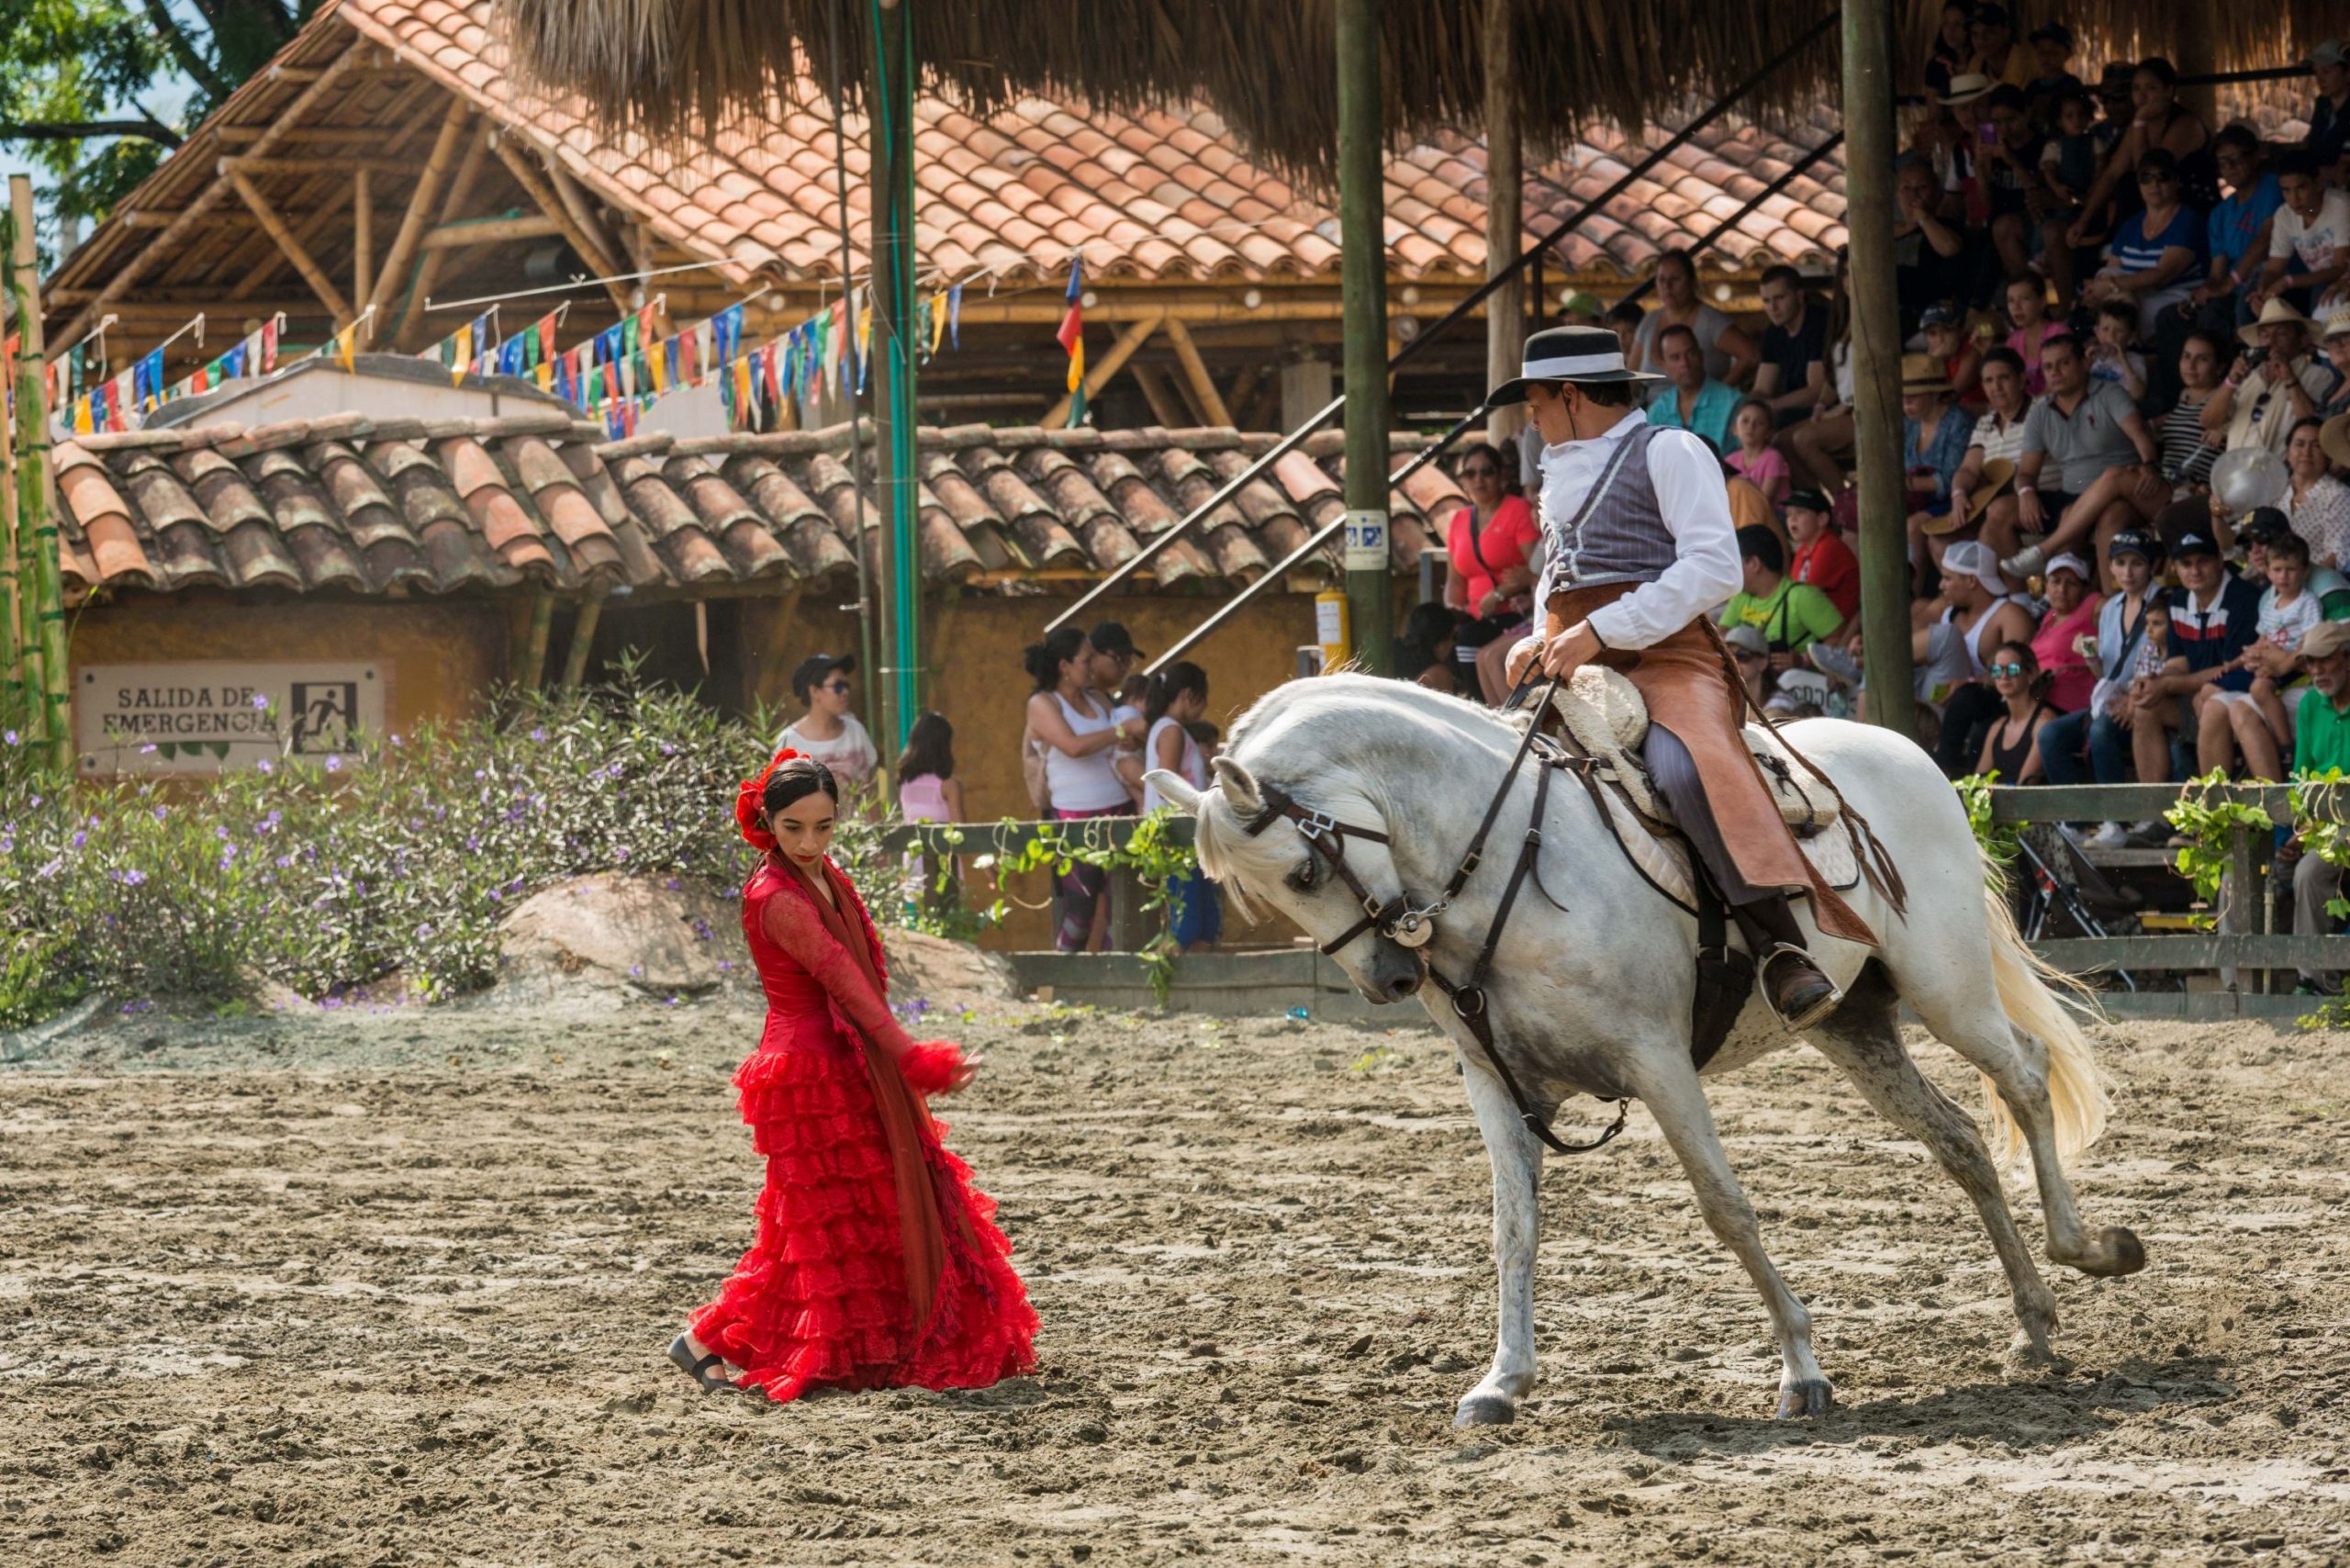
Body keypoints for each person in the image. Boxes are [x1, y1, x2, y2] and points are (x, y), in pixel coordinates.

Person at [1494, 323, 1874, 1027]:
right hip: (1574, 657)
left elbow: (1713, 569)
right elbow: (1559, 574)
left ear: (1572, 395)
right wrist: (1534, 636)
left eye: (1538, 402)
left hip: (1671, 657)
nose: (1533, 419)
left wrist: (1601, 630)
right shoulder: (1560, 468)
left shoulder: (1669, 450)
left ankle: (1778, 947)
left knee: (1677, 769)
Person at [672, 753, 1036, 1403]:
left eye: (823, 827)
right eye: (793, 829)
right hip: (804, 1081)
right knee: (824, 1234)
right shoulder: (775, 896)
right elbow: (842, 976)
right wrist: (911, 1056)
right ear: (768, 823)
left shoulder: (822, 877)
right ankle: (703, 1340)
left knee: (830, 1229)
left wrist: (895, 1057)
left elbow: (857, 975)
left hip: (847, 1067)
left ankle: (703, 1341)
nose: (810, 843)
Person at [2004, 333, 2160, 584]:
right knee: (2000, 511)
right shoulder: (2040, 411)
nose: (2055, 372)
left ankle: (2046, 553)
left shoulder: (2109, 393)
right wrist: (2025, 492)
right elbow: (2026, 473)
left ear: (2084, 363)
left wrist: (2149, 465)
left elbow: (2140, 433)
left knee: (2109, 500)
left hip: (2121, 492)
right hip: (2073, 492)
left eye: (2064, 363)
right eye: (2048, 366)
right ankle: (2026, 602)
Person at [2040, 531, 2164, 842]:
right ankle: (2075, 820)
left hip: (2149, 696)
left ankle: (2116, 822)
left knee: (2101, 731)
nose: (2128, 572)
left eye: (2136, 563)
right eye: (2120, 563)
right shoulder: (2111, 608)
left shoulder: (2163, 602)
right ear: (2109, 567)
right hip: (2112, 697)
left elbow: (2165, 659)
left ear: (2150, 566)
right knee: (2051, 734)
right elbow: (2106, 672)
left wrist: (2133, 699)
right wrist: (2090, 656)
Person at [1024, 626, 1141, 952]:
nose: (1092, 666)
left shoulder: (1099, 699)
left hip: (1119, 810)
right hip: (1075, 817)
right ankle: (1064, 984)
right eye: (1086, 659)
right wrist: (1119, 731)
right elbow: (1072, 746)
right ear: (1064, 665)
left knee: (1123, 908)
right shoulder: (1043, 703)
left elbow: (1117, 746)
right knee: (1080, 910)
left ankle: (1112, 978)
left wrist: (1127, 737)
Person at [2129, 527, 2262, 795]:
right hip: (2196, 696)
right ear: (2176, 568)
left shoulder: (2242, 598)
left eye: (2202, 561)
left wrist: (2167, 686)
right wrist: (2154, 681)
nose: (2195, 571)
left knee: (2206, 700)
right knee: (2145, 707)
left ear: (2219, 561)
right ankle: (2152, 813)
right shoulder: (2178, 601)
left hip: (2235, 695)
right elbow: (2178, 663)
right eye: (2186, 564)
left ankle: (2211, 814)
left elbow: (2230, 668)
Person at [2208, 530, 2322, 782]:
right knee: (2256, 682)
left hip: (2296, 668)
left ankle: (2285, 748)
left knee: (2259, 688)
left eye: (2291, 569)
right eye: (2278, 569)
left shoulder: (2308, 602)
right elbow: (2262, 640)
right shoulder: (2270, 604)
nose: (2284, 576)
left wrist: (2281, 660)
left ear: (2304, 571)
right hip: (2273, 666)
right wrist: (2235, 663)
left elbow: (2310, 641)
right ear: (2268, 572)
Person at [1920, 539, 2040, 776]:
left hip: (1992, 700)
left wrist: (1970, 683)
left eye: (1948, 578)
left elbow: (2015, 672)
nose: (1941, 586)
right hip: (1947, 701)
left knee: (1967, 697)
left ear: (1971, 580)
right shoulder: (1946, 609)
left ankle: (1943, 769)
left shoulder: (2008, 614)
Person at [2280, 620, 2350, 991]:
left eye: (2326, 661)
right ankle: (2237, 987)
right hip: (2317, 821)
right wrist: (2300, 830)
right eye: (2311, 663)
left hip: (2348, 825)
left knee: (2308, 872)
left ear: (2347, 658)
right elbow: (2301, 778)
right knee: (2237, 872)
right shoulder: (2310, 704)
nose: (2317, 671)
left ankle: (2315, 980)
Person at [2081, 148, 2204, 341]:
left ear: (2177, 181)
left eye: (2162, 177)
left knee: (2118, 310)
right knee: (2108, 282)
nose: (2154, 184)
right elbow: (2112, 269)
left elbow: (2161, 275)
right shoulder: (2131, 225)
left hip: (2173, 297)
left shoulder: (2187, 220)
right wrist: (2098, 289)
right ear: (2138, 184)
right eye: (2146, 177)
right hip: (2131, 295)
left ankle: (2114, 355)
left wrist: (2111, 286)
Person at [1140, 661, 1222, 952]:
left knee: (1205, 923)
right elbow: (1167, 786)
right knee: (1185, 926)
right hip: (1178, 839)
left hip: (1191, 839)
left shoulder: (1172, 730)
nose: (1205, 706)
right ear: (1189, 695)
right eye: (1204, 697)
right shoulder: (1172, 731)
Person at [2201, 298, 2328, 465]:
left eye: (2281, 333)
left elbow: (2313, 427)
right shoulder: (2248, 378)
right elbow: (2208, 421)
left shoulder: (2318, 375)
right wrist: (2230, 382)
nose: (2271, 341)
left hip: (2281, 481)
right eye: (2264, 335)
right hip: (2237, 479)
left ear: (2303, 340)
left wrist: (2289, 378)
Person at [1951, 347, 2033, 564]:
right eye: (1988, 381)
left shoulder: (2040, 412)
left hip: (2034, 500)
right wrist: (1958, 494)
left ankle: (2012, 596)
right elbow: (1968, 469)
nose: (1996, 387)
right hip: (1991, 508)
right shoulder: (1985, 422)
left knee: (1990, 527)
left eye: (2003, 378)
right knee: (1939, 540)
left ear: (2022, 379)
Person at [1443, 441, 1539, 625]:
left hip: (1514, 613)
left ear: (1501, 476)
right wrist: (1452, 615)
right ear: (1463, 480)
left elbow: (1536, 571)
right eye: (1470, 473)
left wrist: (1498, 594)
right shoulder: (1458, 519)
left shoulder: (1518, 510)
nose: (1478, 480)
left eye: (1486, 472)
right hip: (1471, 617)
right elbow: (1454, 580)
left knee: (1478, 648)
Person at [1628, 249, 1757, 387]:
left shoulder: (1710, 321)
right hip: (1652, 407)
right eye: (1661, 280)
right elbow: (1631, 377)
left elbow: (1751, 356)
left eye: (1675, 279)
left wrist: (1718, 396)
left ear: (1692, 282)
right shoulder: (1649, 321)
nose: (1667, 286)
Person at [1721, 524, 1844, 662]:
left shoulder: (1801, 597)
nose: (1730, 570)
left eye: (1735, 563)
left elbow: (1840, 638)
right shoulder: (1741, 596)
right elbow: (1722, 633)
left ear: (1754, 564)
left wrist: (1802, 660)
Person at [2247, 151, 2350, 314]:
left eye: (2301, 188)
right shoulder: (2284, 215)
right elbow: (2273, 270)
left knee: (2321, 292)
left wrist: (2288, 282)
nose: (2294, 198)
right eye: (2286, 191)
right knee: (2251, 300)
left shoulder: (2340, 205)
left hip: (2342, 281)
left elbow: (2338, 269)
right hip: (2314, 282)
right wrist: (2262, 290)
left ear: (2318, 184)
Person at [776, 653, 879, 790]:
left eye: (846, 685)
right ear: (815, 691)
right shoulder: (789, 742)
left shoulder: (856, 732)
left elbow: (871, 793)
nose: (845, 692)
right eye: (837, 686)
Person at [896, 711, 965, 900]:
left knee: (921, 922)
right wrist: (988, 868)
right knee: (947, 918)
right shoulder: (949, 786)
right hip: (945, 865)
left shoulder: (905, 783)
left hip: (913, 861)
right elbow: (964, 832)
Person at [1751, 265, 1829, 428]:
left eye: (1779, 298)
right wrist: (1747, 407)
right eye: (1766, 301)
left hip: (1824, 409)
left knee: (1778, 438)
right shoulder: (1773, 333)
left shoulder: (1819, 323)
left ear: (1799, 296)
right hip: (1790, 409)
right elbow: (1762, 389)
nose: (1772, 308)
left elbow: (1815, 391)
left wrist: (1771, 405)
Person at [1645, 323, 1740, 449]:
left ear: (1701, 355)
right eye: (1675, 358)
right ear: (1664, 365)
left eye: (1690, 354)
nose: (1684, 363)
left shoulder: (1733, 403)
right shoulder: (1658, 411)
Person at [2029, 553, 2102, 714]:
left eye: (2071, 584)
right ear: (2046, 586)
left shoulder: (2092, 605)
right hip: (2036, 697)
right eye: (2056, 582)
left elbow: (2123, 606)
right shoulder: (2051, 615)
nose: (2062, 590)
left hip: (2068, 702)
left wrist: (2089, 646)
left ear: (2084, 588)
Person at [1975, 641, 2056, 782]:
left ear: (2031, 675)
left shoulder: (2044, 722)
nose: (2004, 676)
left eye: (2013, 669)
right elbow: (1977, 782)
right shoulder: (1997, 727)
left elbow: (2025, 787)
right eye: (1997, 670)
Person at [2282, 416, 2350, 568]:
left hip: (2315, 586)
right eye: (2299, 444)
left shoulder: (2338, 495)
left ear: (2327, 456)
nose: (2306, 452)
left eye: (2316, 446)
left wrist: (2297, 585)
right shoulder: (2277, 489)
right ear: (2288, 453)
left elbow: (2337, 556)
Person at [1784, 488, 1859, 622]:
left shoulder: (1830, 547)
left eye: (1800, 513)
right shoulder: (1804, 549)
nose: (1792, 519)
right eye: (1789, 514)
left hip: (1837, 629)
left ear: (1822, 519)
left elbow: (1807, 599)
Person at [2003, 271, 2065, 395]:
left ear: (2042, 302)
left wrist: (2033, 408)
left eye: (2024, 299)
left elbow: (2061, 380)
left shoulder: (2058, 333)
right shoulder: (2012, 342)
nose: (2016, 307)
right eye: (2011, 301)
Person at [1725, 396, 1792, 506]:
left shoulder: (1773, 458)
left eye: (1759, 423)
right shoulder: (1729, 461)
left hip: (1772, 516)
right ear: (1735, 429)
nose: (1751, 426)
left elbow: (1764, 501)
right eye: (1745, 421)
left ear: (1768, 433)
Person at [1921, 304, 1984, 410]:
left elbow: (1950, 396)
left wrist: (1934, 360)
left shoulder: (1972, 350)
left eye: (1946, 330)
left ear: (1959, 330)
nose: (1940, 339)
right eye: (1933, 333)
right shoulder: (1940, 355)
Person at [2086, 298, 2149, 402]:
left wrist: (2123, 361)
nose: (2111, 337)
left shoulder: (2135, 360)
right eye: (2105, 329)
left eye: (2118, 331)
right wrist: (2085, 363)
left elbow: (2138, 394)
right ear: (2097, 332)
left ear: (2131, 338)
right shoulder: (2091, 358)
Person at [2309, 41, 2350, 170]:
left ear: (2348, 73)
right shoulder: (2323, 104)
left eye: (2326, 72)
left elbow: (2344, 167)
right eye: (2316, 73)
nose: (2319, 79)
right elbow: (2312, 143)